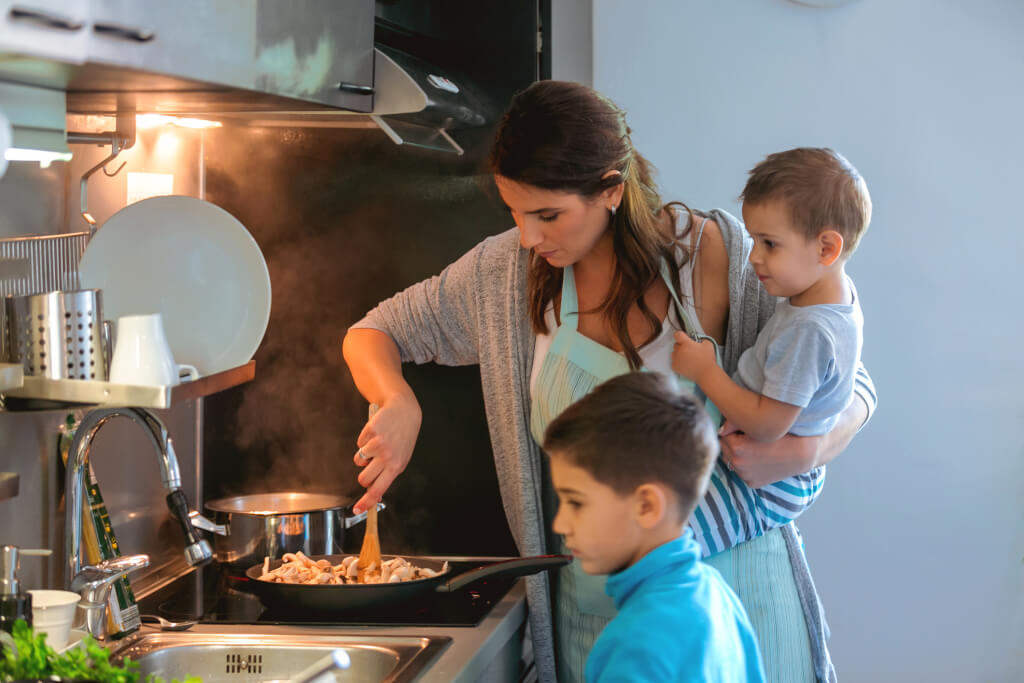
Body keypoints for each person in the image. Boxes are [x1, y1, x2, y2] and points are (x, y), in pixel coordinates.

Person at [342, 80, 877, 683]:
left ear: (612, 191)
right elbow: (374, 331)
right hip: (595, 621)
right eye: (515, 213)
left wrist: (806, 448)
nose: (528, 237)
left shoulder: (718, 252)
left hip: (738, 606)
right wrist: (396, 399)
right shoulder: (505, 274)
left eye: (548, 215)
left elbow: (850, 380)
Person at [672, 147, 870, 529]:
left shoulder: (810, 329)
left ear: (827, 248)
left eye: (769, 244)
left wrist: (705, 371)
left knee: (670, 543)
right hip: (775, 461)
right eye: (752, 240)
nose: (753, 258)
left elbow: (768, 426)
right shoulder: (830, 293)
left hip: (772, 482)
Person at [543, 370, 766, 683]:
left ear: (646, 506)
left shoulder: (635, 647)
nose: (560, 524)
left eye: (576, 502)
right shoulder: (716, 594)